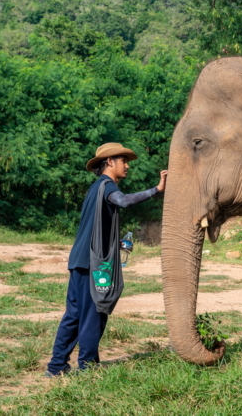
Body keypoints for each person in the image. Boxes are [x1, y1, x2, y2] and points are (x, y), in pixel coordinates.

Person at [46, 142, 167, 377]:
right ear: (110, 162)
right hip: (93, 263)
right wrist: (157, 190)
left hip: (80, 260)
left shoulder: (95, 188)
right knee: (95, 314)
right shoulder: (107, 185)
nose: (128, 166)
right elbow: (123, 201)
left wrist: (116, 244)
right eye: (124, 161)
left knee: (74, 315)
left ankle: (56, 366)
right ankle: (88, 367)